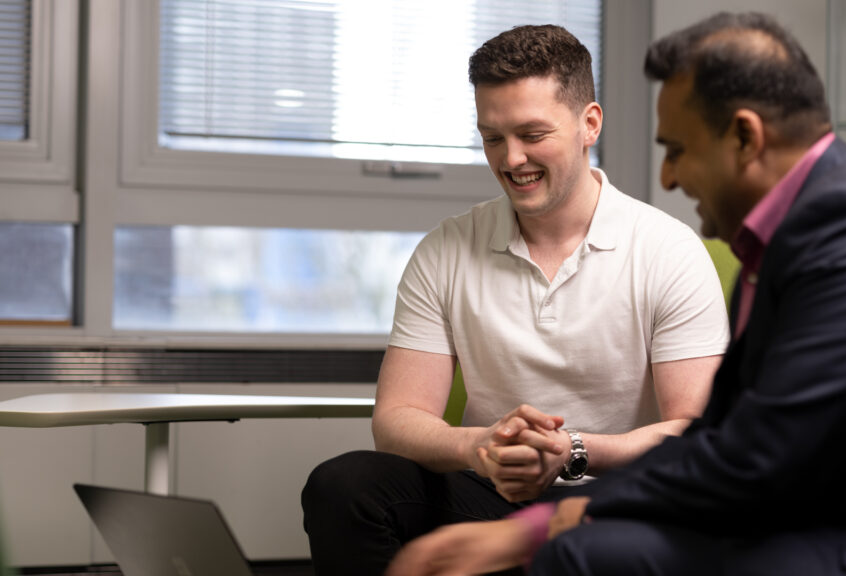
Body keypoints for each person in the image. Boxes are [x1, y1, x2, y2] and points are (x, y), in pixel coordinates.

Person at [385, 11, 846, 576]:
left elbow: (758, 455)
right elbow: (725, 435)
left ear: (744, 137)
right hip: (836, 504)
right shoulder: (801, 228)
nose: (666, 175)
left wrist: (543, 524)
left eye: (677, 150)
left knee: (582, 553)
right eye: (493, 137)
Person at [301, 24, 731, 575]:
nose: (512, 158)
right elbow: (396, 420)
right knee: (345, 485)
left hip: (611, 503)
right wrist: (481, 447)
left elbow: (692, 432)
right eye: (493, 137)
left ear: (588, 123)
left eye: (532, 133)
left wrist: (572, 450)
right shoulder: (446, 249)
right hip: (489, 494)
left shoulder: (667, 250)